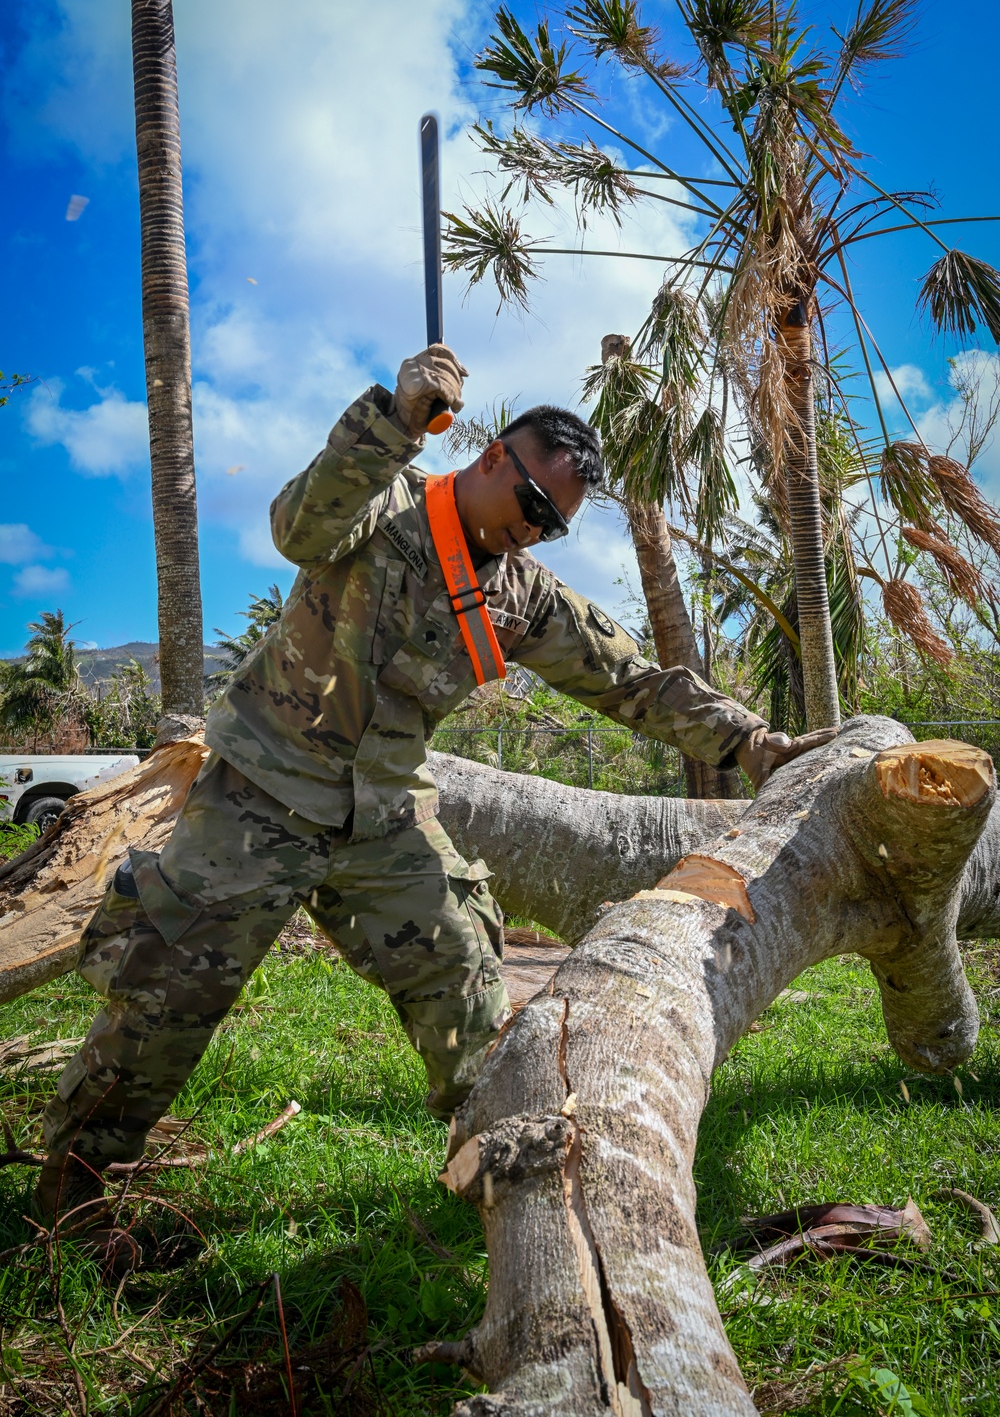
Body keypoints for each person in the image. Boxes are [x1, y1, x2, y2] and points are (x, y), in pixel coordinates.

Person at [34, 345, 835, 1268]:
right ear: (493, 455)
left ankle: (504, 1184)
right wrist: (395, 418)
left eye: (553, 528)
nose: (534, 533)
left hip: (383, 820)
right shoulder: (385, 500)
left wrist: (754, 742)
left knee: (465, 977)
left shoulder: (519, 594)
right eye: (532, 507)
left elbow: (633, 682)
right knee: (166, 996)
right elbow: (299, 524)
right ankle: (71, 1196)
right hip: (263, 792)